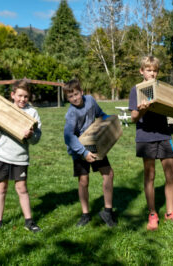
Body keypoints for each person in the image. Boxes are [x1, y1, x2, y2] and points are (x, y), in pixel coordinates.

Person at [129, 56, 173, 231]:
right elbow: (133, 118)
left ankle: (170, 212)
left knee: (171, 174)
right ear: (141, 71)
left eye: (154, 70)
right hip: (145, 137)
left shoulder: (161, 88)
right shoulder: (136, 90)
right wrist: (142, 111)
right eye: (148, 70)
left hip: (164, 135)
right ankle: (153, 214)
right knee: (150, 176)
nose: (152, 73)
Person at [0, 79, 42, 235]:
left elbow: (36, 139)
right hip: (2, 155)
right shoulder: (4, 109)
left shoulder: (32, 113)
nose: (22, 99)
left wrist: (31, 135)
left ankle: (29, 222)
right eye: (20, 96)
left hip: (20, 157)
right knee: (1, 188)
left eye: (26, 96)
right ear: (13, 95)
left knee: (21, 188)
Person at [63, 79, 116, 227]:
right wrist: (84, 152)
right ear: (67, 98)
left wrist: (110, 124)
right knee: (83, 181)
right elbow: (68, 137)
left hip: (96, 145)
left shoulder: (91, 100)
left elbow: (100, 114)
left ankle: (108, 211)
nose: (74, 98)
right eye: (70, 96)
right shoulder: (71, 113)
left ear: (81, 92)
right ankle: (85, 214)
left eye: (76, 94)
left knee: (108, 174)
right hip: (79, 150)